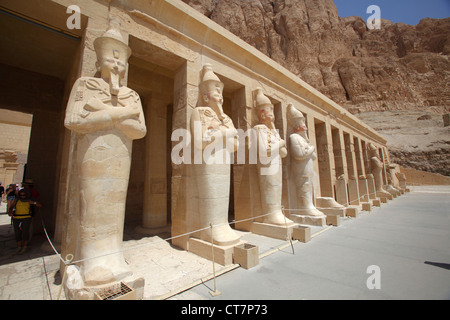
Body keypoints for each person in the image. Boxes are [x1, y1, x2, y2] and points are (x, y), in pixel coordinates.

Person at [8, 188, 42, 254]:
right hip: (17, 217)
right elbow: (11, 207)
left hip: (26, 217)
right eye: (21, 195)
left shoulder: (29, 200)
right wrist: (10, 212)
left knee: (25, 232)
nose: (22, 197)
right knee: (17, 233)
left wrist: (33, 203)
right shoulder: (17, 200)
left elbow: (40, 205)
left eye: (24, 195)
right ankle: (19, 247)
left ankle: (24, 246)